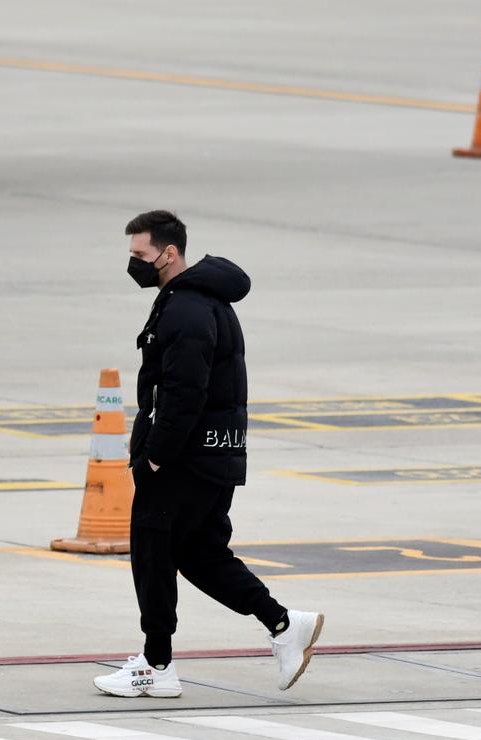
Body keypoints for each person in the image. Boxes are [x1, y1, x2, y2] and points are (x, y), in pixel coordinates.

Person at [95, 211, 324, 699]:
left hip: (184, 459)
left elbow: (183, 391)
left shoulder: (187, 309)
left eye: (140, 255)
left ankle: (156, 664)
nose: (133, 263)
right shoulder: (198, 302)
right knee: (199, 554)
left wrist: (156, 456)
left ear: (168, 253)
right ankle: (284, 624)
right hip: (211, 456)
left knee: (153, 552)